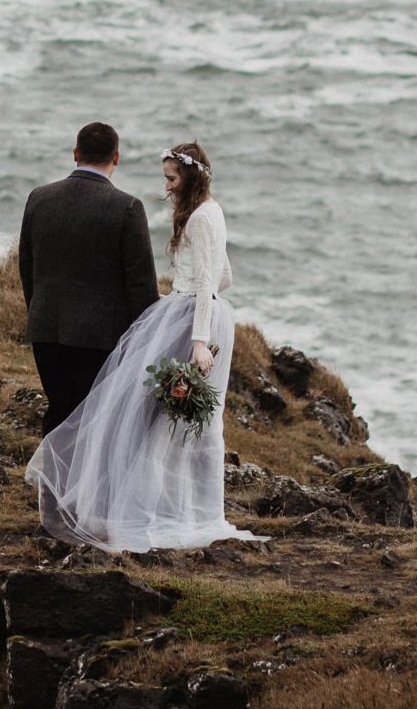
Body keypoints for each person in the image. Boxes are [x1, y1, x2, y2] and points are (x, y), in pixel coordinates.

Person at [23, 138, 256, 552]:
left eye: (170, 178)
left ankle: (145, 512)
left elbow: (206, 282)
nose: (166, 186)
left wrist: (197, 337)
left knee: (165, 419)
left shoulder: (199, 218)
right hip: (206, 313)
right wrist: (186, 297)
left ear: (189, 175)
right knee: (192, 420)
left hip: (195, 322)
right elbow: (225, 276)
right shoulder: (212, 211)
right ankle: (193, 510)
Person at [18, 121, 160, 439]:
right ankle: (88, 489)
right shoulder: (127, 207)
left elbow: (27, 268)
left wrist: (39, 312)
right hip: (101, 337)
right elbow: (142, 287)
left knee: (60, 411)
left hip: (46, 328)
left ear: (75, 153)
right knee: (97, 420)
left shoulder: (38, 198)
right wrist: (146, 341)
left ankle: (51, 487)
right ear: (117, 157)